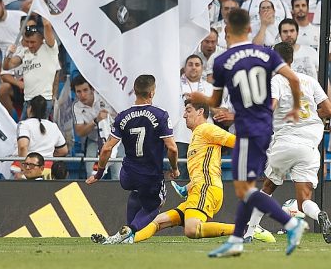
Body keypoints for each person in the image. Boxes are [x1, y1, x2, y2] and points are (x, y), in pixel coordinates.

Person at [186, 8, 306, 258]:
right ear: (250, 30)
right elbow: (294, 80)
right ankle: (237, 240)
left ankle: (291, 223)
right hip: (264, 128)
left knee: (245, 190)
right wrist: (295, 108)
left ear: (227, 31)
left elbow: (215, 99)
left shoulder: (221, 62)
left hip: (247, 128)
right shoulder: (266, 54)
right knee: (246, 187)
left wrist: (200, 97)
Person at [92, 101, 237, 244]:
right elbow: (204, 167)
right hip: (198, 190)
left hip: (206, 188)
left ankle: (243, 229)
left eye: (188, 110)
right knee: (157, 222)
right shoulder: (197, 135)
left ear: (200, 112)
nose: (184, 115)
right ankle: (126, 239)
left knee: (191, 230)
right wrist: (187, 188)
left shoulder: (207, 129)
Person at [243, 42, 331, 244]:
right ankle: (319, 214)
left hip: (285, 142)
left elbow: (271, 105)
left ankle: (249, 233)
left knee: (268, 186)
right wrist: (311, 116)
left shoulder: (275, 80)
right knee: (303, 202)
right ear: (292, 59)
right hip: (310, 146)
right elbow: (330, 111)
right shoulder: (309, 81)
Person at [86, 75, 179, 237]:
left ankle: (127, 236)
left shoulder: (122, 117)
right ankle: (131, 230)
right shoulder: (160, 115)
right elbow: (172, 148)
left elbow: (107, 148)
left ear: (134, 92)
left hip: (127, 175)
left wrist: (99, 174)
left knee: (137, 192)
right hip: (150, 175)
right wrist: (175, 168)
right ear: (151, 93)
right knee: (155, 204)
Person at [2, 17, 60, 120]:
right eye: (27, 41)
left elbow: (46, 25)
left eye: (33, 42)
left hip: (43, 101)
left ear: (41, 39)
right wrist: (9, 55)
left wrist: (42, 6)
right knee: (22, 132)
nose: (30, 45)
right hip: (28, 101)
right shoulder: (24, 52)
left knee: (34, 132)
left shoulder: (50, 48)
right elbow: (7, 66)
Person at [71, 75, 123, 179]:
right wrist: (95, 121)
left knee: (118, 175)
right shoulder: (76, 106)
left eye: (85, 90)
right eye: (78, 92)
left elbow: (122, 118)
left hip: (115, 140)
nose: (82, 95)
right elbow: (80, 132)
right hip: (94, 140)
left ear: (92, 89)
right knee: (91, 173)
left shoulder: (105, 97)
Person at [175, 55, 213, 180]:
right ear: (184, 67)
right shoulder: (175, 86)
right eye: (190, 64)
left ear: (202, 68)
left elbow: (221, 111)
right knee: (181, 175)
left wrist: (204, 101)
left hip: (204, 136)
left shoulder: (209, 87)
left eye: (197, 65)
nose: (194, 67)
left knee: (203, 173)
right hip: (180, 136)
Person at [12, 95, 68, 179]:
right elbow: (63, 151)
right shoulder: (53, 126)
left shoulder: (24, 125)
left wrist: (24, 169)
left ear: (30, 108)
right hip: (47, 170)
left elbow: (23, 147)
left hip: (29, 169)